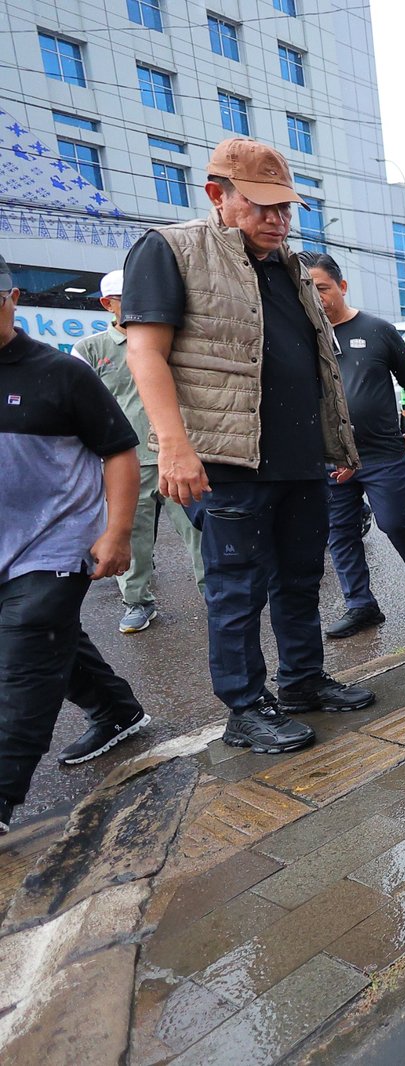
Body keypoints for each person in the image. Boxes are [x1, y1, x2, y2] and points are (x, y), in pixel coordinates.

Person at [122, 137, 372, 755]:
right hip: (226, 461)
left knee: (299, 577)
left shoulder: (290, 267)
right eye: (261, 205)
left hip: (298, 458)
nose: (276, 218)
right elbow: (145, 351)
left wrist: (335, 447)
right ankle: (243, 707)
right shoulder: (172, 250)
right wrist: (174, 446)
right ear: (217, 195)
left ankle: (303, 681)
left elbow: (314, 363)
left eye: (284, 207)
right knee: (237, 586)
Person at [0, 259, 149, 832]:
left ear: (12, 297)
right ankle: (115, 709)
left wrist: (115, 531)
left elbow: (118, 450)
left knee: (23, 661)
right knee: (49, 642)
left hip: (55, 544)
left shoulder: (62, 373)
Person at [300, 252, 405, 637]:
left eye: (323, 288)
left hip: (381, 452)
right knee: (340, 532)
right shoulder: (304, 337)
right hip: (329, 459)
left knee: (394, 520)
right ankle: (360, 604)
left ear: (342, 287)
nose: (316, 297)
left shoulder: (377, 330)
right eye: (307, 289)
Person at [73, 269, 205, 634]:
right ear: (107, 304)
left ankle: (216, 594)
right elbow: (83, 411)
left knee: (199, 530)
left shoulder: (169, 341)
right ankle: (138, 602)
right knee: (133, 536)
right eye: (123, 300)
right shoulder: (89, 350)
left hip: (178, 455)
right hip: (127, 461)